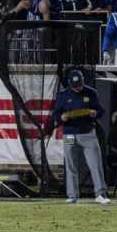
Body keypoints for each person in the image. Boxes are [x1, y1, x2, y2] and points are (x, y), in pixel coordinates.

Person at [49, 67, 109, 205]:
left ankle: (101, 194)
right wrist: (61, 118)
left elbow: (101, 111)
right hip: (69, 135)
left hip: (88, 134)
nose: (78, 88)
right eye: (75, 86)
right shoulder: (63, 95)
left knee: (95, 164)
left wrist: (95, 113)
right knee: (71, 165)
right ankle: (72, 195)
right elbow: (56, 114)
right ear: (70, 83)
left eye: (80, 85)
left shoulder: (91, 92)